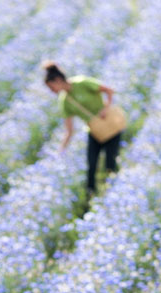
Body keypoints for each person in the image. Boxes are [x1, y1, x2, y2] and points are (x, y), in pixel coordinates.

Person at [43, 62, 119, 195]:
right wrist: (61, 150)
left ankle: (113, 190)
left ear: (58, 80)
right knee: (91, 165)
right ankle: (91, 195)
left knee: (110, 162)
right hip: (94, 130)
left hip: (109, 125)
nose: (51, 91)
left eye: (51, 87)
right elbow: (69, 130)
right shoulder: (64, 101)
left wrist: (106, 108)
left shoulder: (81, 83)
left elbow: (109, 90)